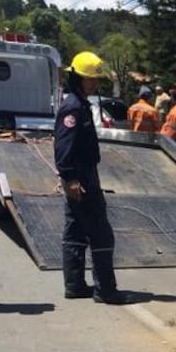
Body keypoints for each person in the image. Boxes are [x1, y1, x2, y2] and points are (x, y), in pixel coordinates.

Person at [54, 52, 124, 304]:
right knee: (101, 234)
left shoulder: (80, 104)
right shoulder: (73, 107)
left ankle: (74, 285)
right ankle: (106, 290)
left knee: (75, 231)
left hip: (83, 176)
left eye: (96, 80)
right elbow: (63, 147)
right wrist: (70, 178)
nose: (94, 84)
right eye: (89, 79)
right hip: (81, 178)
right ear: (76, 78)